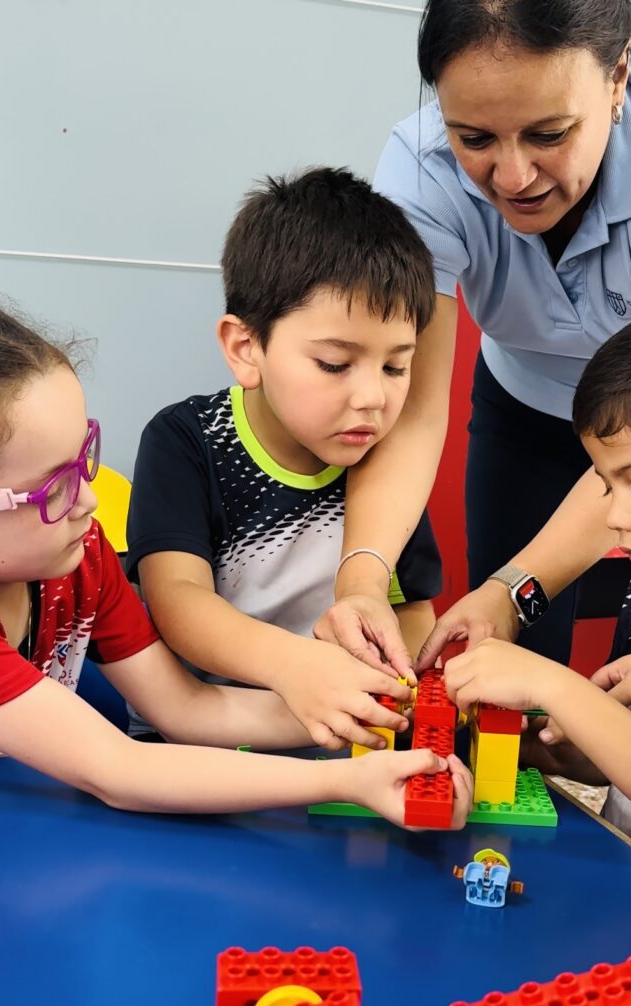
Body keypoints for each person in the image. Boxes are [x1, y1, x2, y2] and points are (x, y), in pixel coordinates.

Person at [313, 0, 631, 678]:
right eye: (474, 139)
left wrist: (518, 588)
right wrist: (363, 578)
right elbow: (413, 408)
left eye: (549, 134)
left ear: (617, 78)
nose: (512, 179)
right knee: (502, 659)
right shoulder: (420, 165)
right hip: (523, 406)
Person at [0, 305, 473, 827]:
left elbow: (185, 707)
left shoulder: (82, 558)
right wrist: (343, 781)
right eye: (55, 487)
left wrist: (374, 708)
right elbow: (117, 768)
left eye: (83, 458)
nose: (88, 501)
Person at [125, 168, 442, 750]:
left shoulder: (382, 466)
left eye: (396, 366)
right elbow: (178, 600)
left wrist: (412, 685)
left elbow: (410, 608)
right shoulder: (187, 440)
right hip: (197, 744)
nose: (373, 398)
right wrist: (297, 668)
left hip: (342, 742)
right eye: (335, 364)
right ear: (247, 349)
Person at [444, 292, 631, 884]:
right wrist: (534, 736)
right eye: (608, 487)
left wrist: (559, 687)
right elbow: (625, 756)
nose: (614, 517)